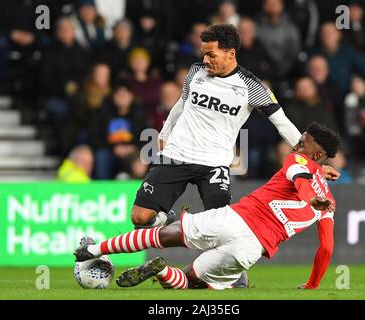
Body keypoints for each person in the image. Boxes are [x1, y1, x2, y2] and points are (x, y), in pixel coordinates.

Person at [74, 122, 339, 290]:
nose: (297, 143)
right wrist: (313, 285)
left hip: (236, 219)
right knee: (191, 281)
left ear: (315, 154)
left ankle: (93, 250)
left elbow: (301, 179)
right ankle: (163, 271)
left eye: (303, 142)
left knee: (161, 235)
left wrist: (309, 195)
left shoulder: (298, 161)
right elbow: (326, 247)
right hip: (251, 249)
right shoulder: (328, 202)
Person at [131, 23, 339, 229]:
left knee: (218, 229)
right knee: (139, 218)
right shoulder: (195, 72)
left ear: (230, 53)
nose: (205, 60)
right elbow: (182, 103)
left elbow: (282, 122)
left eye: (211, 55)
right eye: (204, 54)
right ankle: (165, 219)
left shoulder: (251, 87)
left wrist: (313, 165)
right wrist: (165, 134)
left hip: (214, 163)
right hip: (177, 154)